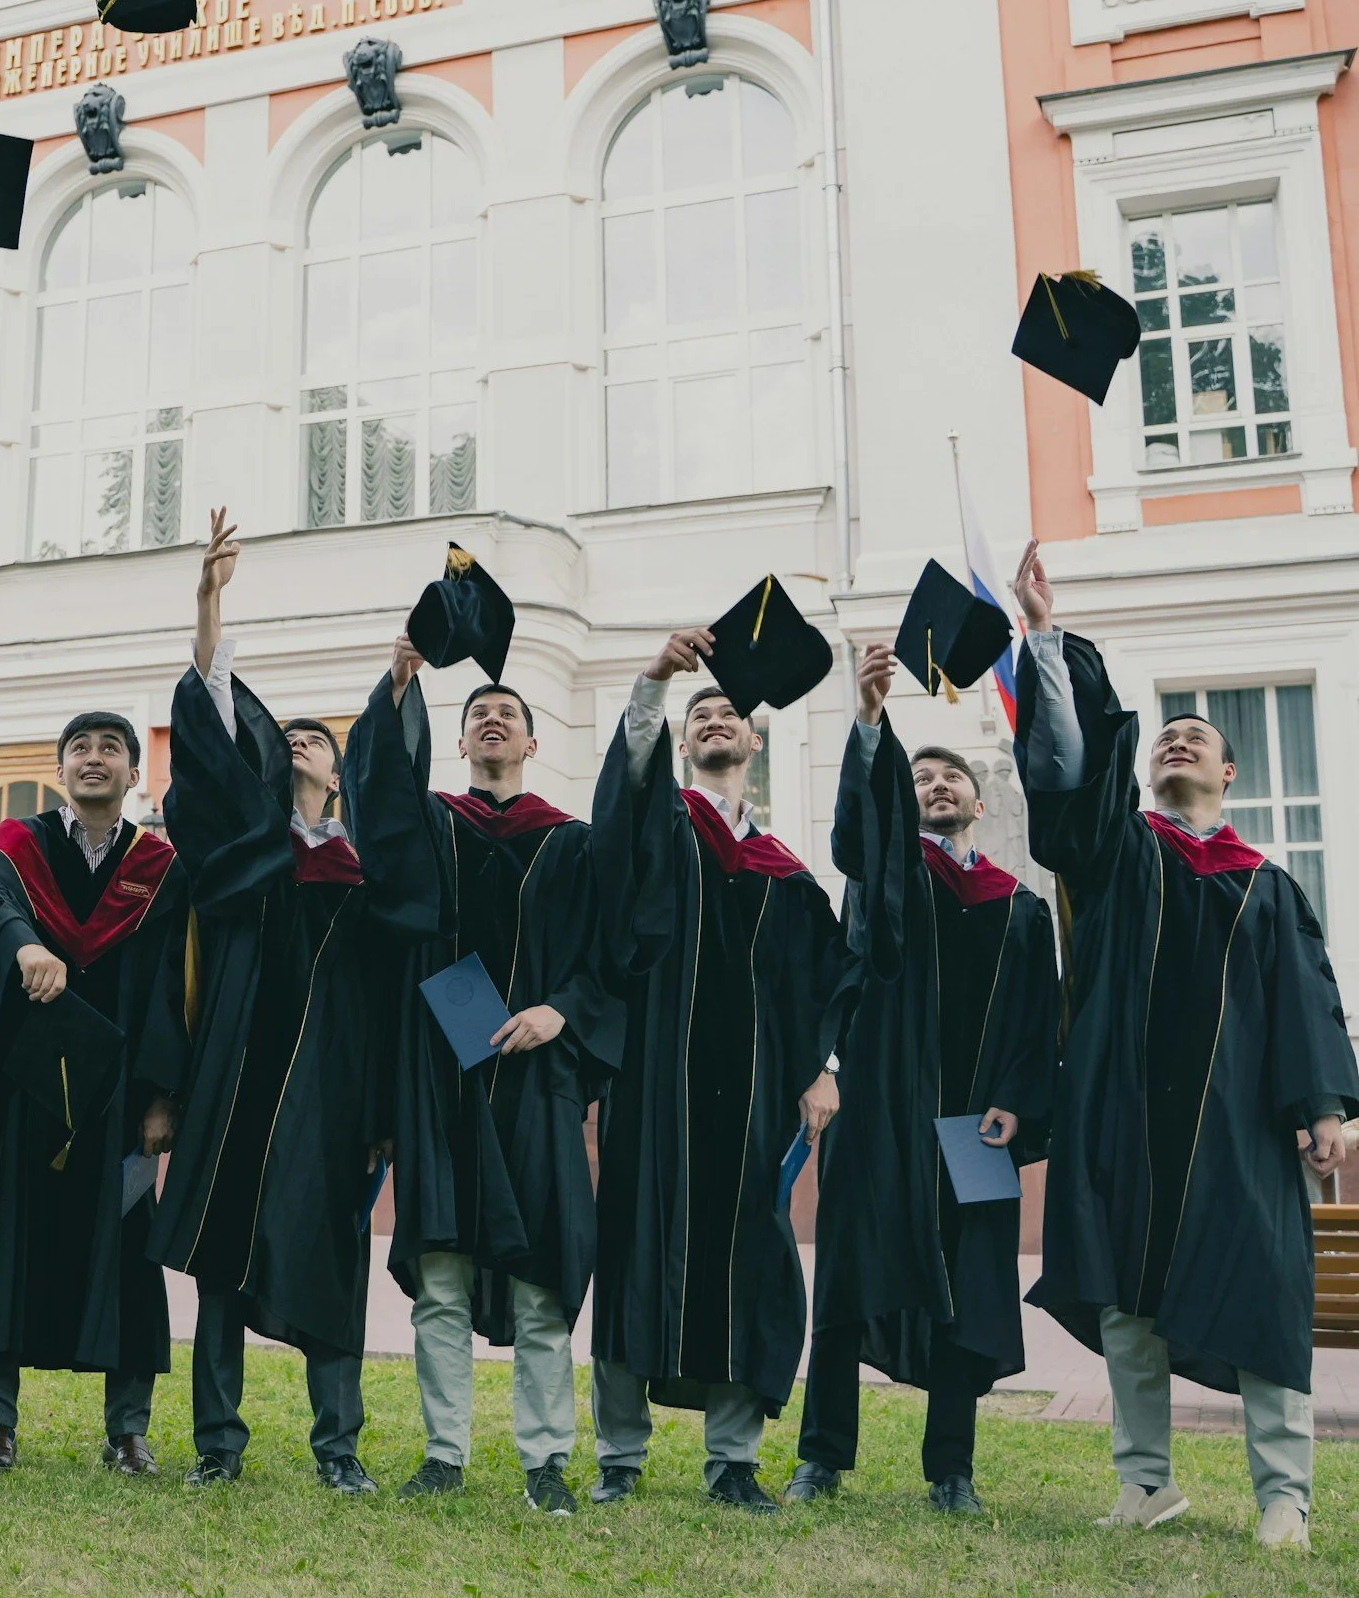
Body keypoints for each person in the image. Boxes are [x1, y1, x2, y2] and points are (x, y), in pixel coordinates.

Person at [1009, 542, 1355, 1551]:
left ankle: (1281, 1494)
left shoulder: (1267, 883)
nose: (1175, 745)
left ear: (1228, 770)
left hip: (1237, 1127)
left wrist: (1324, 1108)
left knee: (1261, 1297)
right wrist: (1043, 637)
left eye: (1194, 737)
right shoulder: (1122, 859)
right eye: (1165, 737)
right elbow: (1068, 791)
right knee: (1126, 1303)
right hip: (1123, 1114)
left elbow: (1307, 1003)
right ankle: (1144, 1485)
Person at [147, 511, 432, 1493]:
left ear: (343, 770)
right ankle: (218, 1445)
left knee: (332, 1262)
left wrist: (388, 1119)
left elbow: (402, 992)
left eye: (322, 736)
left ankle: (337, 1448)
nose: (303, 742)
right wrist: (207, 602)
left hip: (339, 1094)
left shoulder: (371, 874)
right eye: (293, 735)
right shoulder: (249, 857)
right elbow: (215, 728)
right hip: (244, 1077)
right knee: (225, 1261)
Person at [344, 643, 621, 1512]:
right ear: (458, 742)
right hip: (442, 1079)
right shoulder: (432, 824)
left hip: (537, 1085)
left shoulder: (573, 845)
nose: (491, 720)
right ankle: (444, 1453)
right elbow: (378, 800)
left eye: (507, 715)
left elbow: (611, 956)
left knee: (542, 1283)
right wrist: (399, 683)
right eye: (476, 716)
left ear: (533, 745)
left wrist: (562, 1011)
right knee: (443, 1277)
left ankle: (545, 1460)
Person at [786, 642, 1058, 1513]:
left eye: (950, 778)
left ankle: (952, 1471)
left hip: (978, 1129)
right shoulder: (887, 882)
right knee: (848, 1278)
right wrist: (869, 721)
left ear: (981, 802)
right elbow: (863, 839)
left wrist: (1017, 1104)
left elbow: (1036, 1024)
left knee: (970, 1289)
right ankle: (822, 1455)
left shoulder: (1021, 911)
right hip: (881, 1112)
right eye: (920, 779)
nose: (936, 786)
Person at [585, 630, 843, 1513]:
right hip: (655, 1090)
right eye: (703, 717)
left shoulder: (790, 877)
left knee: (752, 1264)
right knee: (631, 1252)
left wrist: (822, 1068)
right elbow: (626, 787)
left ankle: (733, 1459)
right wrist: (657, 678)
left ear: (756, 743)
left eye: (731, 714)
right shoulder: (661, 830)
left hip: (758, 1102)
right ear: (685, 743)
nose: (717, 723)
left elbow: (822, 988)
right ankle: (620, 1455)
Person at [0, 711, 184, 1478]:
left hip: (120, 1099)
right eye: (80, 749)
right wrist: (25, 942)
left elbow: (169, 989)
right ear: (62, 770)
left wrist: (162, 1098)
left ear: (132, 774)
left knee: (126, 1253)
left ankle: (127, 1430)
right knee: (6, 1245)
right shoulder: (16, 847)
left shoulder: (158, 867)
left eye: (110, 750)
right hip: (27, 1085)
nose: (94, 760)